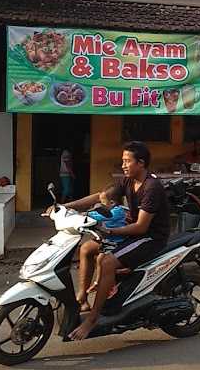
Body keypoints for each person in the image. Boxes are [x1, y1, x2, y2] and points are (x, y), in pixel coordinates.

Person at [61, 141, 170, 340]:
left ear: (141, 163)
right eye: (123, 161)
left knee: (107, 261)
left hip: (150, 238)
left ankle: (93, 319)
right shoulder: (128, 181)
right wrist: (66, 207)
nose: (123, 165)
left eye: (127, 161)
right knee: (86, 248)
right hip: (134, 234)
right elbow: (101, 196)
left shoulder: (151, 187)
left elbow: (141, 227)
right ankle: (82, 298)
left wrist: (109, 231)